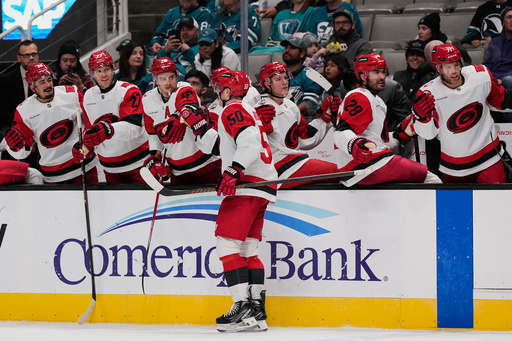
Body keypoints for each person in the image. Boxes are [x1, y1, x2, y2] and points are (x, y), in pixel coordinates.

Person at [193, 70, 277, 332]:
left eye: (220, 88)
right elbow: (222, 145)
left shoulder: (232, 109)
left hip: (247, 185)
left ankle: (241, 306)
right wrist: (198, 127)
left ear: (228, 91)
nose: (217, 93)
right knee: (248, 250)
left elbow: (249, 143)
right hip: (261, 186)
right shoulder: (246, 110)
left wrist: (233, 170)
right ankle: (256, 310)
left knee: (226, 243)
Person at [333, 53, 441, 187]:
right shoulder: (359, 96)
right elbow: (341, 132)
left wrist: (400, 134)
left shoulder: (376, 100)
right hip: (366, 165)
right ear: (362, 76)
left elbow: (380, 142)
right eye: (376, 72)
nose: (382, 77)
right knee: (433, 181)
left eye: (383, 72)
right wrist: (354, 144)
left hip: (373, 164)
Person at [413, 43, 512, 183]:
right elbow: (428, 134)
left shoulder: (481, 75)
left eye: (456, 65)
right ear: (438, 68)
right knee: (457, 205)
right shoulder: (428, 93)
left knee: (495, 203)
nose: (454, 71)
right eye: (447, 67)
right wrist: (423, 119)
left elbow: (499, 100)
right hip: (454, 164)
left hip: (488, 155)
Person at [4, 63, 99, 184]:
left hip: (84, 166)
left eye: (49, 80)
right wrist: (14, 147)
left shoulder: (71, 93)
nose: (48, 85)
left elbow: (91, 119)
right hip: (53, 175)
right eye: (41, 82)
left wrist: (88, 143)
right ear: (33, 87)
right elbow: (22, 152)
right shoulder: (23, 111)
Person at [257, 61, 339, 187]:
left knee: (339, 171)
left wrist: (325, 116)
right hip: (276, 169)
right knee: (339, 172)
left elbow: (305, 138)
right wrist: (256, 122)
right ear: (267, 84)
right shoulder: (260, 109)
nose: (284, 82)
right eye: (278, 79)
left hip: (292, 163)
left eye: (285, 77)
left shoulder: (290, 106)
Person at [142, 57, 222, 184]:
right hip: (178, 171)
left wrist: (178, 118)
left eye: (171, 78)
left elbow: (188, 107)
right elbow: (153, 135)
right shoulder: (147, 99)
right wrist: (155, 159)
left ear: (177, 77)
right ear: (155, 80)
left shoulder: (185, 89)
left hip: (206, 165)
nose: (168, 83)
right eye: (163, 79)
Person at [80, 51, 150, 184]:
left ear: (113, 69)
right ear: (92, 73)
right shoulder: (88, 96)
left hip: (138, 164)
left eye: (106, 69)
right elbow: (90, 130)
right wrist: (83, 146)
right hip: (109, 168)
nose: (104, 74)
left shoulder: (129, 90)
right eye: (98, 71)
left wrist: (108, 129)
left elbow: (134, 127)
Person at [0, 40, 40, 167]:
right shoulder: (5, 80)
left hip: (41, 140)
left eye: (34, 54)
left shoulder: (48, 79)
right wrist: (20, 132)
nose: (31, 58)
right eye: (27, 55)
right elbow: (2, 111)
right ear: (19, 58)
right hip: (14, 137)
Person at [249, 0, 315, 54]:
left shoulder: (310, 11)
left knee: (263, 54)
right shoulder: (281, 13)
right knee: (253, 51)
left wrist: (284, 43)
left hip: (290, 46)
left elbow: (306, 36)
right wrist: (268, 43)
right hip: (273, 46)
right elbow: (271, 36)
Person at [280, 37, 324, 118]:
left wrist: (286, 115)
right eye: (286, 48)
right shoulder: (277, 74)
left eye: (292, 48)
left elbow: (309, 103)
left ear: (302, 54)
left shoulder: (311, 75)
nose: (287, 50)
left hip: (304, 123)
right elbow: (264, 97)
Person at [483, 6, 512, 89]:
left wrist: (502, 80)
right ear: (503, 23)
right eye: (509, 17)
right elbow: (487, 65)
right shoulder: (494, 42)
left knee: (509, 80)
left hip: (508, 79)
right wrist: (494, 79)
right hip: (496, 78)